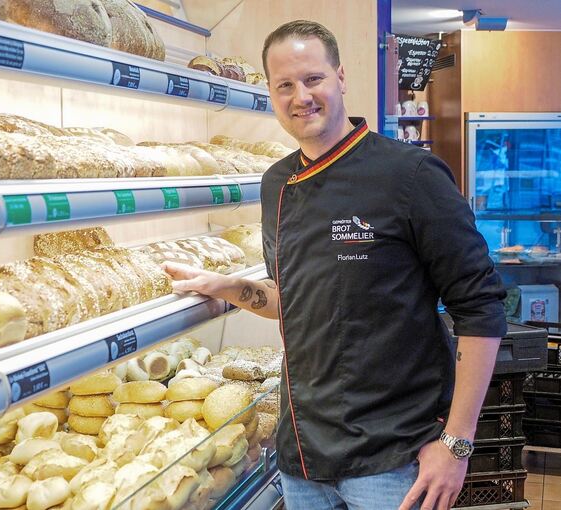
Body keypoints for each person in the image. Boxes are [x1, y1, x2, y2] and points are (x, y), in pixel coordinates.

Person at [163, 20, 507, 510]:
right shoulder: (276, 184)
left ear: (341, 77)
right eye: (285, 85)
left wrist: (456, 443)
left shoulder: (408, 175)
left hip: (395, 461)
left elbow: (482, 309)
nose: (301, 96)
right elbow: (299, 304)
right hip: (303, 460)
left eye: (313, 79)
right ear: (270, 93)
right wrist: (230, 287)